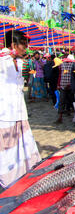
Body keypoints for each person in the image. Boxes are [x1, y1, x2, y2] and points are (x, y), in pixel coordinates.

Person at [0, 30, 41, 190]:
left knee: (23, 149)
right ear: (13, 45)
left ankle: (22, 178)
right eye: (23, 45)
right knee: (8, 153)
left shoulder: (20, 62)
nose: (26, 48)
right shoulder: (3, 60)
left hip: (19, 112)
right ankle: (9, 182)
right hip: (5, 115)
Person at [56, 54, 75, 123]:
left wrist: (58, 84)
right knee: (72, 100)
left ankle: (60, 116)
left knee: (62, 101)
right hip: (69, 85)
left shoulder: (61, 65)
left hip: (63, 85)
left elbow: (59, 76)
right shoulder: (73, 65)